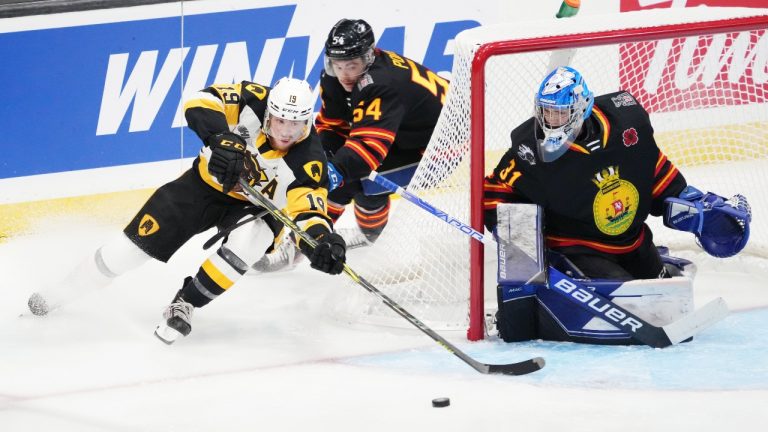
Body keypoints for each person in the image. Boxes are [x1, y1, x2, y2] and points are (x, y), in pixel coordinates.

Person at [27, 77, 347, 344]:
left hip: (257, 210)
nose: (287, 131)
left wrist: (321, 242)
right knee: (127, 252)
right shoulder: (253, 99)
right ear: (269, 114)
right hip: (202, 187)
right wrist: (222, 139)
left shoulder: (309, 159)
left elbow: (309, 212)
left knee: (248, 243)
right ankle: (65, 290)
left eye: (296, 123)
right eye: (281, 120)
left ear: (307, 121)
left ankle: (186, 303)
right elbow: (199, 100)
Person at [484, 66, 751, 343]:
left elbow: (653, 172)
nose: (551, 121)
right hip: (578, 249)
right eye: (547, 112)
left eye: (560, 113)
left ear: (582, 109)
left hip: (633, 241)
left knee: (667, 294)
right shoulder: (529, 150)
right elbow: (496, 188)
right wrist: (515, 236)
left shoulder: (627, 124)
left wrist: (690, 204)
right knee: (641, 304)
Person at [253, 18, 448, 272]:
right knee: (338, 167)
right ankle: (368, 234)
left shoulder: (381, 84)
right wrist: (318, 161)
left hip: (440, 148)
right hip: (403, 133)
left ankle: (301, 244)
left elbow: (367, 150)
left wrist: (330, 174)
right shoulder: (334, 76)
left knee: (352, 179)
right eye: (338, 65)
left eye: (352, 66)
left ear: (369, 57)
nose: (344, 74)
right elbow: (332, 127)